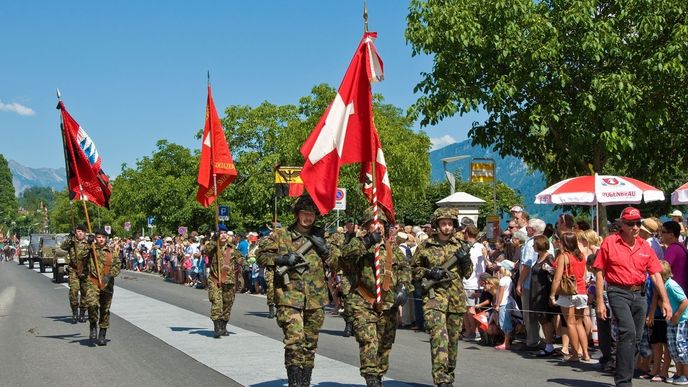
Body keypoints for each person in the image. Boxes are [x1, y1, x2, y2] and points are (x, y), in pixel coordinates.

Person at [256, 194, 333, 387]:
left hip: (316, 299)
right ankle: (294, 383)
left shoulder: (322, 235)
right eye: (304, 213)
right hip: (289, 296)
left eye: (312, 214)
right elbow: (260, 256)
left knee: (310, 343)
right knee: (294, 340)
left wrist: (325, 250)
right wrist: (282, 259)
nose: (308, 217)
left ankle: (305, 382)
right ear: (297, 214)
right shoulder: (281, 235)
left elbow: (339, 263)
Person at [594, 206, 672, 387]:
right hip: (617, 290)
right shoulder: (610, 242)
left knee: (636, 338)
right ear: (622, 224)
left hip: (640, 293)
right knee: (627, 332)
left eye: (638, 223)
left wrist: (665, 300)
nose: (635, 227)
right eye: (630, 224)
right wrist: (600, 301)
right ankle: (623, 381)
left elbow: (656, 274)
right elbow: (599, 272)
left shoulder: (645, 246)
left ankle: (625, 373)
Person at [338, 208, 412, 387]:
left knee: (385, 344)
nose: (377, 226)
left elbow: (404, 269)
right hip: (363, 301)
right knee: (368, 341)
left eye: (380, 223)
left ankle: (378, 375)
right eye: (373, 223)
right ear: (366, 226)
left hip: (388, 303)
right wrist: (367, 242)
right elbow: (344, 257)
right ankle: (371, 379)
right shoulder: (357, 243)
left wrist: (404, 287)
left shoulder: (391, 246)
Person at [412, 207, 472, 387]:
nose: (446, 227)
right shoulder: (425, 246)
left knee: (453, 340)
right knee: (439, 337)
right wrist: (429, 272)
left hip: (455, 297)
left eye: (450, 224)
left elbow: (468, 274)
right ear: (437, 225)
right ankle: (441, 379)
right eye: (443, 223)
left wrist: (465, 260)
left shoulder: (460, 246)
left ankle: (449, 373)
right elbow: (413, 271)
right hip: (434, 297)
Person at [549, 231, 592, 363]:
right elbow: (584, 275)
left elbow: (557, 278)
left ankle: (574, 353)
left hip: (568, 292)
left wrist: (552, 294)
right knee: (579, 323)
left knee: (570, 323)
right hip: (582, 291)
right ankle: (585, 353)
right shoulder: (581, 256)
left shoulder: (564, 256)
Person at [203, 223, 243, 339]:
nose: (223, 235)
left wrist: (244, 261)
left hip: (229, 281)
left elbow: (240, 259)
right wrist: (214, 239)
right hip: (215, 279)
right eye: (221, 233)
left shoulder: (232, 248)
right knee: (217, 302)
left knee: (227, 304)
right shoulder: (213, 247)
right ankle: (217, 328)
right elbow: (206, 250)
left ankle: (223, 326)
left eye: (225, 233)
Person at [651, 261, 688, 384]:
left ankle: (686, 375)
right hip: (671, 321)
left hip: (682, 320)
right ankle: (678, 373)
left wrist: (677, 315)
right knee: (673, 347)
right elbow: (662, 302)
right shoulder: (663, 287)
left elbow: (684, 301)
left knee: (681, 346)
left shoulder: (671, 285)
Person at [84, 229, 121, 346]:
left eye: (103, 237)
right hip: (93, 282)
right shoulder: (91, 249)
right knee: (92, 304)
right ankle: (93, 325)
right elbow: (81, 256)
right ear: (95, 238)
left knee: (105, 310)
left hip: (107, 285)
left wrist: (109, 276)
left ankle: (102, 335)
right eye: (99, 237)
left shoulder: (112, 252)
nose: (101, 239)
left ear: (106, 239)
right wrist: (88, 243)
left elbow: (117, 266)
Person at [60, 224, 90, 324]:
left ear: (85, 233)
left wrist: (93, 242)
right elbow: (63, 246)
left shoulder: (88, 243)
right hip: (73, 270)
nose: (80, 233)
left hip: (85, 270)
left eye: (82, 231)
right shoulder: (72, 242)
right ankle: (74, 313)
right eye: (78, 231)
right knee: (73, 291)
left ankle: (82, 313)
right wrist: (70, 236)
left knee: (85, 293)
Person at [661, 221, 688, 293]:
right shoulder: (681, 246)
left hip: (674, 291)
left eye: (663, 232)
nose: (660, 234)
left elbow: (663, 269)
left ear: (671, 235)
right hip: (683, 289)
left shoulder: (672, 249)